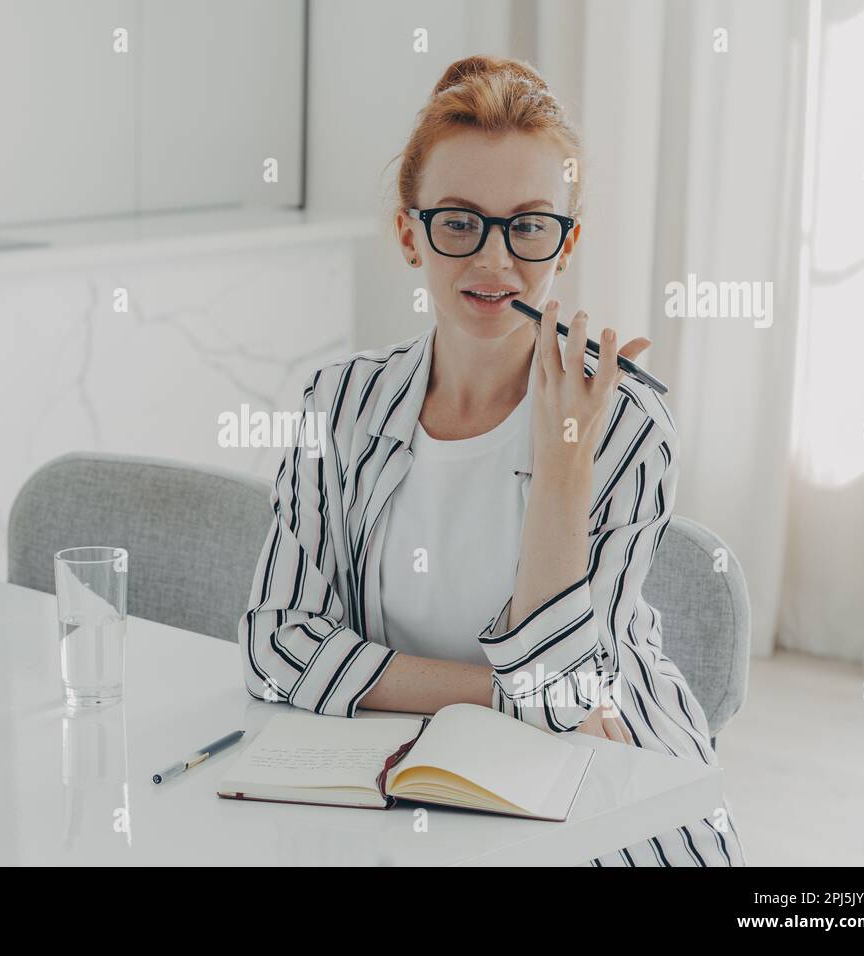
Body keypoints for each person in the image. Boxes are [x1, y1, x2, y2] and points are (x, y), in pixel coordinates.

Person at [239, 55, 744, 866]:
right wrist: (489, 693)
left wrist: (564, 471)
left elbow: (570, 702)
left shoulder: (626, 422)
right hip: (415, 784)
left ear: (566, 243)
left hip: (615, 803)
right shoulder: (338, 404)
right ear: (410, 233)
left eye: (530, 224)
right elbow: (275, 645)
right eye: (460, 220)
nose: (495, 261)